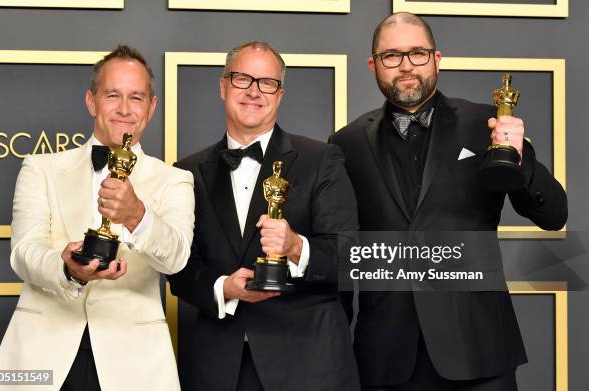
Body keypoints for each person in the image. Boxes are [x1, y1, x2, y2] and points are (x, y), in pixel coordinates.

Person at [330, 12, 567, 391]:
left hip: (480, 349)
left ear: (437, 59)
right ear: (373, 65)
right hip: (386, 355)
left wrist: (521, 162)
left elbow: (554, 215)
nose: (406, 66)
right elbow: (341, 250)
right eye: (392, 56)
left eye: (417, 53)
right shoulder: (345, 143)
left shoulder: (487, 123)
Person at [0, 45, 194, 391]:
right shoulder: (41, 169)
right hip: (40, 353)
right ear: (91, 101)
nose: (125, 109)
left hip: (134, 363)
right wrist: (67, 269)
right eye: (113, 95)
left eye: (137, 98)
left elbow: (176, 259)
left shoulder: (174, 180)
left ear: (152, 107)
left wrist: (137, 215)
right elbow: (23, 253)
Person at [167, 41, 360, 391]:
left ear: (280, 93)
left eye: (267, 83)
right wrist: (223, 287)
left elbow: (349, 258)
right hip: (219, 369)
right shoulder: (186, 171)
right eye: (243, 79)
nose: (254, 92)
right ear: (223, 85)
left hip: (308, 366)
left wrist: (295, 247)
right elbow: (180, 267)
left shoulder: (321, 159)